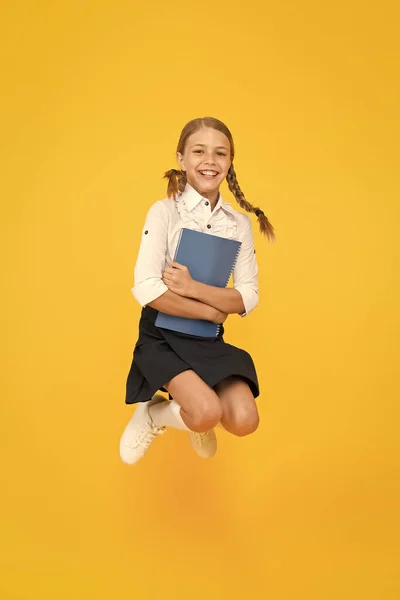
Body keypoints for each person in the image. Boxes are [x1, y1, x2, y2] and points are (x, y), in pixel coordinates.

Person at [120, 116, 275, 465]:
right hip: (160, 337)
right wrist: (212, 310)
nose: (210, 161)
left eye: (220, 153)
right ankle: (154, 414)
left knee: (245, 420)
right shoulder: (164, 213)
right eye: (199, 151)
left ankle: (183, 409)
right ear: (181, 158)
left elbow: (247, 296)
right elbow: (148, 289)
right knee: (206, 412)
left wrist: (192, 288)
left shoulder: (238, 224)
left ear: (229, 161)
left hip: (207, 340)